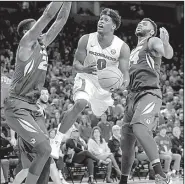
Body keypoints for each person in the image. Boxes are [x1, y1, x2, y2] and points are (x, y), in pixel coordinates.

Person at [4, 2, 72, 184]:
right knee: (43, 149)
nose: (43, 30)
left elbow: (61, 20)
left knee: (46, 155)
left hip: (33, 109)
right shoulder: (26, 43)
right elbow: (49, 16)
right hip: (17, 106)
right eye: (37, 26)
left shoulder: (42, 45)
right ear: (30, 30)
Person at [52, 8, 130, 159]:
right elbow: (76, 63)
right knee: (80, 103)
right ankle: (56, 140)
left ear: (113, 26)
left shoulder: (122, 47)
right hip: (86, 77)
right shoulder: (86, 39)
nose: (101, 21)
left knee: (99, 113)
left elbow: (124, 72)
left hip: (104, 87)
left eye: (106, 20)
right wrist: (84, 68)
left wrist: (123, 83)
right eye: (100, 18)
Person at [119, 18, 173, 184]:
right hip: (131, 98)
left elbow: (168, 53)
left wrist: (165, 43)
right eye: (140, 22)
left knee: (140, 128)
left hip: (148, 93)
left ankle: (161, 175)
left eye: (145, 23)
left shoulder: (152, 41)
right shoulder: (132, 50)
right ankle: (123, 180)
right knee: (126, 146)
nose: (140, 24)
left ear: (151, 31)